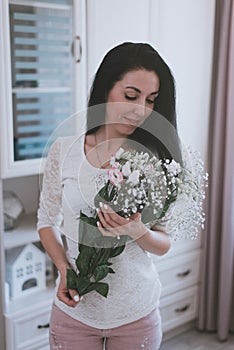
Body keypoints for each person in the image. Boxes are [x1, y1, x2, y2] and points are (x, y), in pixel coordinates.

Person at [37, 42, 182, 350]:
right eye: (130, 96)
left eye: (151, 100)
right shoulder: (64, 151)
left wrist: (136, 230)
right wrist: (64, 269)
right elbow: (46, 220)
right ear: (106, 89)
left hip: (136, 313)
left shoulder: (156, 161)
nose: (140, 109)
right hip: (74, 311)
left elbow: (163, 244)